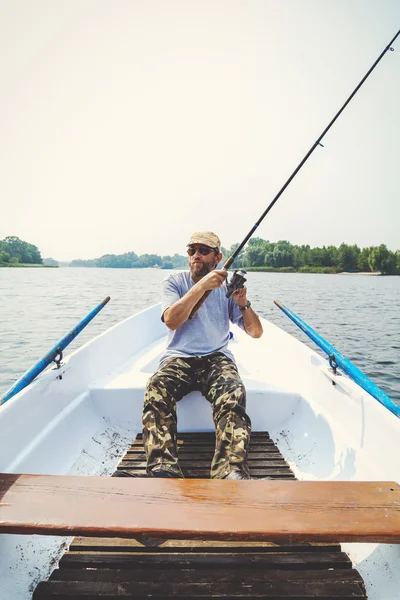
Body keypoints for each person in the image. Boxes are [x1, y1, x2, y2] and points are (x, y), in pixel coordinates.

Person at [141, 231, 264, 480]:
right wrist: (201, 286)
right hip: (178, 357)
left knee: (233, 391)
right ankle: (163, 467)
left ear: (217, 258)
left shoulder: (226, 289)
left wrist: (242, 302)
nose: (196, 255)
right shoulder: (174, 282)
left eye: (203, 251)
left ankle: (229, 470)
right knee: (156, 387)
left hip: (216, 357)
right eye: (191, 250)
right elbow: (171, 320)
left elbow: (255, 332)